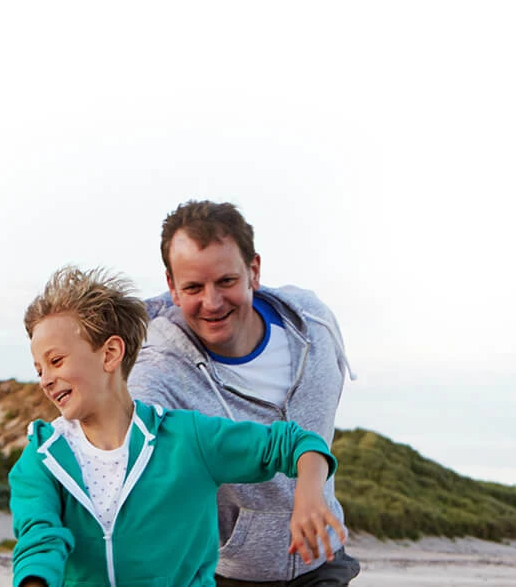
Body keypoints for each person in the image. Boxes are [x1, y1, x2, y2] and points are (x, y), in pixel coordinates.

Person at [10, 266, 343, 587]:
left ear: (110, 353)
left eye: (56, 361)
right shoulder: (43, 459)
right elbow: (40, 539)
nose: (46, 380)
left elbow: (295, 443)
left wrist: (309, 495)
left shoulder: (187, 440)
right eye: (39, 370)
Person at [128, 200, 359, 586]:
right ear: (171, 287)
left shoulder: (314, 327)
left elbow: (313, 435)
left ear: (253, 271)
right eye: (193, 287)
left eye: (226, 282)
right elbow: (128, 444)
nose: (212, 302)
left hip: (323, 559)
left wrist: (309, 491)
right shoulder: (160, 367)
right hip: (230, 572)